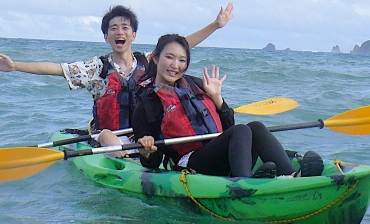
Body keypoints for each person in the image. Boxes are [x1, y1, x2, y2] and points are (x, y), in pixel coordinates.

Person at [0, 3, 234, 151]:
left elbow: (181, 46)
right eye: (113, 28)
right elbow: (56, 68)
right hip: (112, 136)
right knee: (106, 135)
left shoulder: (148, 61)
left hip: (145, 132)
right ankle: (124, 157)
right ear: (106, 37)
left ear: (133, 35)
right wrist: (15, 65)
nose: (119, 32)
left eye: (125, 27)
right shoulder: (97, 68)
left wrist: (215, 25)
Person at [133, 34, 323, 178]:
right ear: (156, 58)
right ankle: (243, 185)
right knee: (241, 130)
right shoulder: (146, 103)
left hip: (219, 153)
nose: (175, 65)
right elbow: (152, 164)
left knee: (255, 127)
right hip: (190, 163)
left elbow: (228, 127)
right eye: (169, 57)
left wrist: (217, 98)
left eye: (182, 60)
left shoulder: (197, 85)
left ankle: (289, 176)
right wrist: (147, 151)